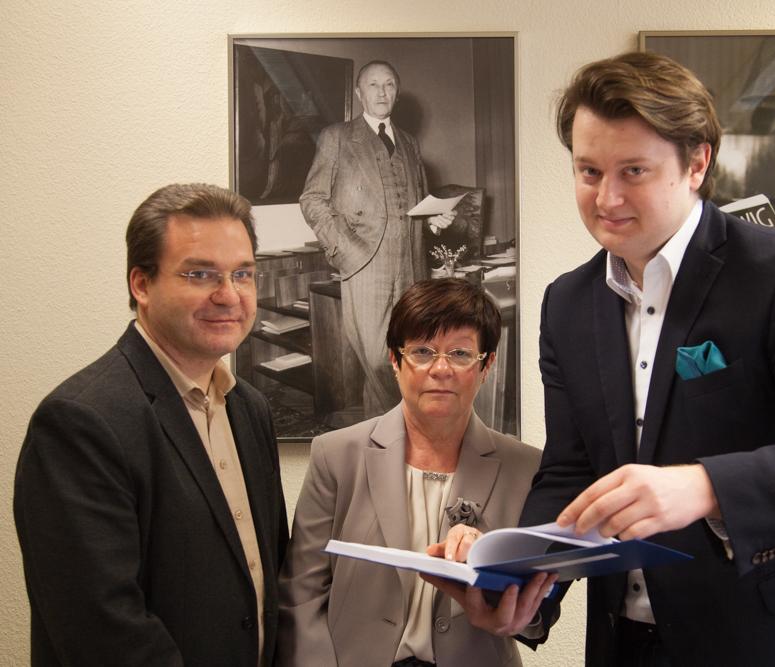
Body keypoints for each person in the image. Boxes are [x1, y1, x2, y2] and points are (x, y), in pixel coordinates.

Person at [432, 52, 775, 666]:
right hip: (628, 643)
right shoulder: (567, 303)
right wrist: (522, 586)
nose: (606, 197)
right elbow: (571, 472)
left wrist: (705, 487)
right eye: (588, 171)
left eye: (633, 170)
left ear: (697, 163)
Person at [13, 183, 288, 666]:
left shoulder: (249, 408)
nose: (229, 295)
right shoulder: (80, 423)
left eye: (242, 274)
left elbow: (269, 584)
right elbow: (103, 632)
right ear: (141, 285)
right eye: (200, 274)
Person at [276, 277, 543, 667]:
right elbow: (302, 595)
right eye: (422, 351)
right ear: (395, 360)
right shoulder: (336, 455)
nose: (440, 369)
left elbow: (535, 612)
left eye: (460, 353)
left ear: (486, 365)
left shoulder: (527, 467)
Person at [300, 59, 455, 420]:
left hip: (411, 265)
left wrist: (432, 221)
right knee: (376, 358)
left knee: (409, 354)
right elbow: (312, 199)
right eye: (373, 85)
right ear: (359, 93)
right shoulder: (337, 137)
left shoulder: (409, 142)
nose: (382, 92)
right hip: (364, 264)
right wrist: (345, 250)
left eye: (389, 85)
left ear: (397, 93)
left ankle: (385, 437)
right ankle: (408, 425)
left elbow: (413, 205)